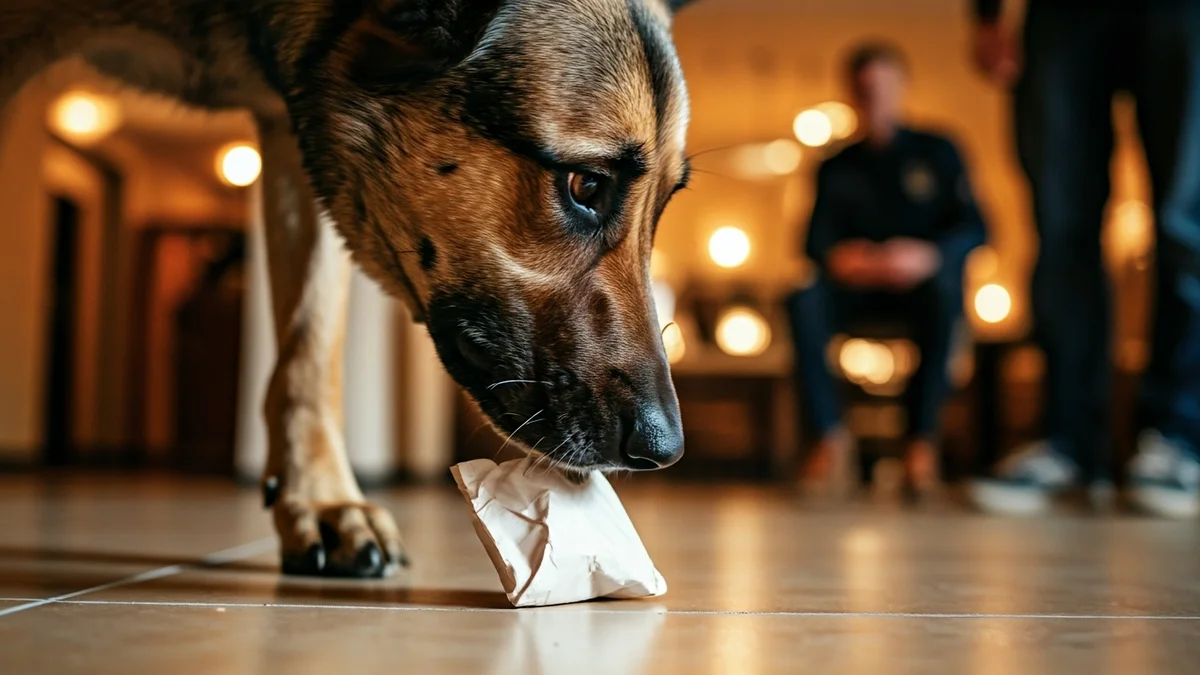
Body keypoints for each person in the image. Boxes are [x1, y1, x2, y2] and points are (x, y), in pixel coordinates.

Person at [968, 0, 1200, 518]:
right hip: (1065, 13)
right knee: (1060, 224)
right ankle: (1068, 441)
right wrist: (985, 13)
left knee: (1186, 225)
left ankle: (1177, 436)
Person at [787, 42, 987, 499]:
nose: (873, 96)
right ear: (852, 93)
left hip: (920, 287)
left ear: (901, 87)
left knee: (944, 295)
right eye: (864, 88)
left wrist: (927, 255)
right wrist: (842, 258)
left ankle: (921, 442)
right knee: (804, 300)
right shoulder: (835, 166)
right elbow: (814, 242)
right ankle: (830, 435)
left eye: (882, 85)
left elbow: (975, 227)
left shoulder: (939, 151)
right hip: (855, 290)